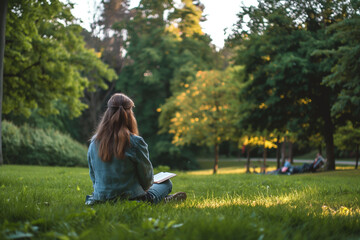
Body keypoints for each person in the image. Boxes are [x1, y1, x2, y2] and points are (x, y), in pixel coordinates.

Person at [85, 93, 186, 205]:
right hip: (132, 198)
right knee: (167, 183)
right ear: (130, 115)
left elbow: (93, 176)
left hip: (101, 198)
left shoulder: (94, 142)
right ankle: (160, 200)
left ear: (107, 113)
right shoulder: (135, 142)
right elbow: (147, 181)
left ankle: (163, 200)